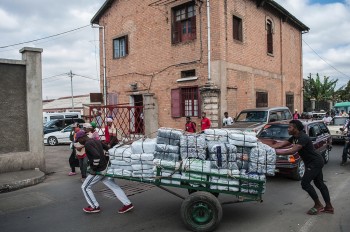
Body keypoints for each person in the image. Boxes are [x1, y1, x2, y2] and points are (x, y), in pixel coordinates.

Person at [272, 120, 334, 215]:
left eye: (290, 127)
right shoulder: (294, 137)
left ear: (296, 128)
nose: (288, 129)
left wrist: (275, 152)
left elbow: (293, 150)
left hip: (315, 162)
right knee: (319, 184)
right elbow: (282, 144)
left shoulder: (303, 138)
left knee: (305, 183)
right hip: (313, 162)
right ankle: (329, 207)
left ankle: (318, 205)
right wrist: (267, 147)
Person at [75, 131, 134, 214]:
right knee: (114, 186)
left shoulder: (88, 144)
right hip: (105, 167)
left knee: (85, 187)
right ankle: (128, 204)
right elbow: (108, 149)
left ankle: (94, 206)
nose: (79, 142)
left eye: (78, 140)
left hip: (99, 170)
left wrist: (94, 168)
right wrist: (105, 159)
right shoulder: (96, 140)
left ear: (82, 138)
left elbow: (96, 156)